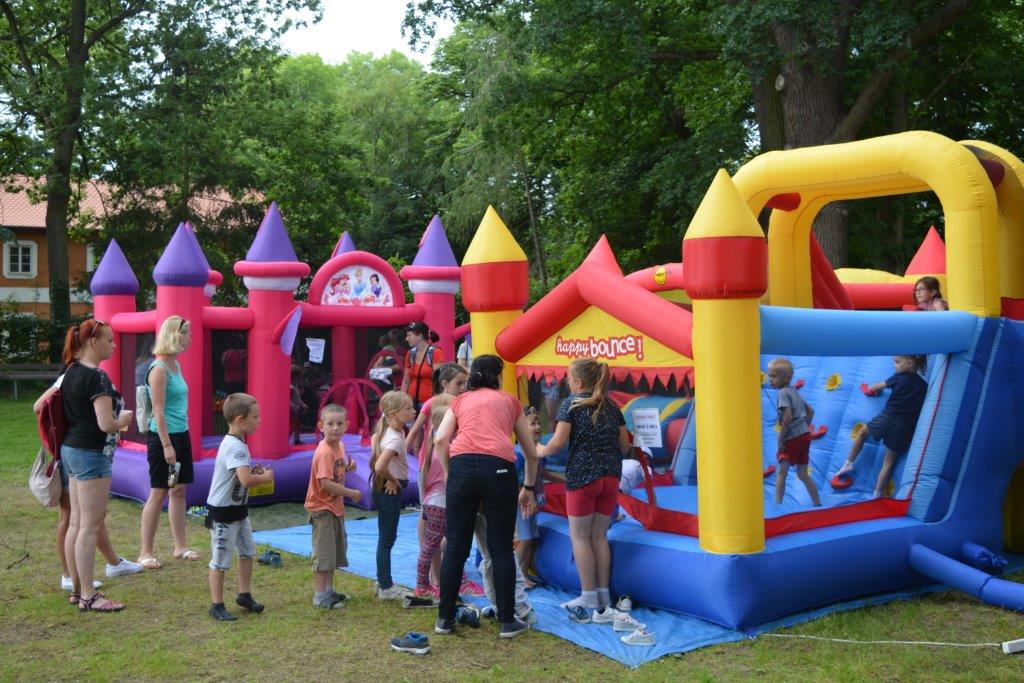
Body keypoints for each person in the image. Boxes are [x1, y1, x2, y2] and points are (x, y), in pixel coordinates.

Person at [432, 354, 539, 638]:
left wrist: (449, 472)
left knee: (456, 547)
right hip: (499, 469)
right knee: (501, 547)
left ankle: (445, 618)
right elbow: (530, 452)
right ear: (498, 376)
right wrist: (528, 487)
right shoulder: (510, 401)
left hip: (463, 467)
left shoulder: (460, 401)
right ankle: (507, 620)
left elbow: (441, 439)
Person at [536, 358, 630, 624]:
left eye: (568, 378)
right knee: (599, 535)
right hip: (610, 476)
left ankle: (588, 594)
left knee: (579, 536)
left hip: (583, 477)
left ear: (577, 382)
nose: (567, 382)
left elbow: (557, 442)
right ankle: (603, 594)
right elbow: (624, 445)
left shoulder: (572, 404)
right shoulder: (611, 406)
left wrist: (540, 450)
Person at [35, 371, 142, 594]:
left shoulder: (81, 375)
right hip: (79, 451)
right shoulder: (74, 375)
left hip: (76, 450)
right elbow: (39, 406)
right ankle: (70, 577)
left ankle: (111, 564)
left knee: (90, 517)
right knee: (73, 519)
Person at [58, 318, 134, 611]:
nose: (114, 345)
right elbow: (105, 423)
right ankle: (89, 595)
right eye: (110, 340)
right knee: (89, 526)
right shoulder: (97, 377)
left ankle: (78, 590)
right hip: (91, 453)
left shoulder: (70, 370)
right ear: (93, 342)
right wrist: (122, 420)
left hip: (72, 450)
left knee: (77, 523)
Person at [206, 393, 274, 621]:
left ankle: (244, 595)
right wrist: (265, 477)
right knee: (220, 560)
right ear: (239, 420)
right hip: (224, 514)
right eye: (255, 417)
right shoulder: (235, 446)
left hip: (238, 512)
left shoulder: (238, 442)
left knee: (247, 552)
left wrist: (251, 472)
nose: (259, 420)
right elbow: (245, 480)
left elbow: (239, 475)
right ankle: (216, 605)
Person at [138, 315, 198, 569]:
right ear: (174, 334)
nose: (190, 339)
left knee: (179, 490)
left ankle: (180, 546)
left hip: (181, 434)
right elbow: (158, 411)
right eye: (186, 333)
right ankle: (145, 552)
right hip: (163, 438)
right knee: (159, 491)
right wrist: (166, 446)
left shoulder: (176, 366)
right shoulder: (159, 368)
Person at [405, 363, 469, 590]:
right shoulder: (435, 403)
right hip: (434, 466)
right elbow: (415, 430)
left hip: (440, 464)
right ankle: (433, 572)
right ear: (444, 383)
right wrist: (401, 458)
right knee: (431, 518)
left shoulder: (458, 402)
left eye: (465, 383)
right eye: (459, 383)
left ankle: (435, 571)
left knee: (434, 519)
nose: (463, 388)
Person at [834, 355, 929, 497]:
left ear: (909, 363)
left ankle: (848, 463)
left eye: (897, 362)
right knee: (889, 462)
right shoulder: (923, 386)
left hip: (889, 416)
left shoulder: (898, 378)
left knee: (862, 433)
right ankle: (877, 494)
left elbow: (876, 386)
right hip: (904, 426)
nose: (894, 366)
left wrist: (872, 389)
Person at [305, 403, 360, 609]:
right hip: (322, 509)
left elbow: (335, 472)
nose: (335, 428)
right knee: (324, 553)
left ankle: (328, 591)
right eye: (330, 424)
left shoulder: (340, 446)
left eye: (339, 423)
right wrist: (351, 493)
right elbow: (325, 484)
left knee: (334, 551)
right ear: (321, 426)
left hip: (334, 507)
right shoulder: (325, 451)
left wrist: (347, 468)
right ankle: (320, 596)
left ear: (346, 425)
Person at [370, 390, 416, 599]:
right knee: (387, 539)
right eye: (408, 409)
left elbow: (375, 445)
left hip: (382, 489)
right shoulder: (395, 439)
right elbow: (380, 465)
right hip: (388, 490)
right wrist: (393, 480)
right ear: (394, 414)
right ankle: (386, 586)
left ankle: (382, 580)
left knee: (386, 537)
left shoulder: (388, 432)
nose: (413, 411)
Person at [766, 358, 822, 507]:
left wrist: (781, 439)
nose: (770, 379)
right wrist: (804, 428)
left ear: (786, 378)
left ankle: (777, 507)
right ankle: (818, 503)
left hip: (792, 439)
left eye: (774, 376)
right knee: (802, 474)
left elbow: (788, 416)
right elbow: (811, 411)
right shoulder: (794, 391)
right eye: (769, 376)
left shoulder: (783, 393)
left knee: (781, 472)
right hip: (804, 436)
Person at [414, 398, 454, 597]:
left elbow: (423, 480)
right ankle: (422, 585)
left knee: (431, 544)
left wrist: (424, 505)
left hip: (432, 501)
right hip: (440, 503)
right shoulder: (444, 451)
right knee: (431, 546)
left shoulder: (431, 449)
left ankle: (425, 583)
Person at [514, 406, 556, 587]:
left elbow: (542, 471)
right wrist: (523, 500)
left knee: (531, 538)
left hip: (534, 500)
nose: (538, 426)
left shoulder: (539, 451)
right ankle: (514, 576)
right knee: (525, 539)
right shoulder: (519, 452)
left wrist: (563, 479)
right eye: (533, 424)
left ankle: (523, 575)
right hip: (522, 502)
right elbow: (514, 479)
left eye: (539, 423)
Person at [401, 322, 444, 410]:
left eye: (409, 335)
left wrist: (437, 402)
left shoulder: (435, 352)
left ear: (420, 336)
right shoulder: (410, 353)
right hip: (411, 401)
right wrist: (402, 400)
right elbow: (405, 381)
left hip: (430, 402)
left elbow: (439, 381)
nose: (406, 339)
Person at [289, 364, 306, 445]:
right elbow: (287, 400)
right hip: (291, 411)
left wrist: (302, 404)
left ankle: (296, 440)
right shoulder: (290, 387)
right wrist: (294, 407)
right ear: (294, 378)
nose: (300, 379)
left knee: (297, 425)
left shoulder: (295, 386)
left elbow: (298, 398)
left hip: (295, 411)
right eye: (299, 378)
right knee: (292, 426)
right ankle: (285, 440)